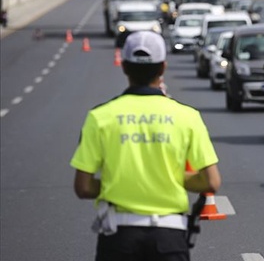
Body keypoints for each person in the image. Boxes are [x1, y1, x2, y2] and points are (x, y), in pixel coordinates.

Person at [70, 31, 221, 261]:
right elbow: (211, 181)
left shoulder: (100, 117)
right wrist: (166, 178)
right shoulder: (187, 117)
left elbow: (83, 187)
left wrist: (121, 183)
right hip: (169, 236)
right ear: (162, 68)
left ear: (124, 67)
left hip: (118, 237)